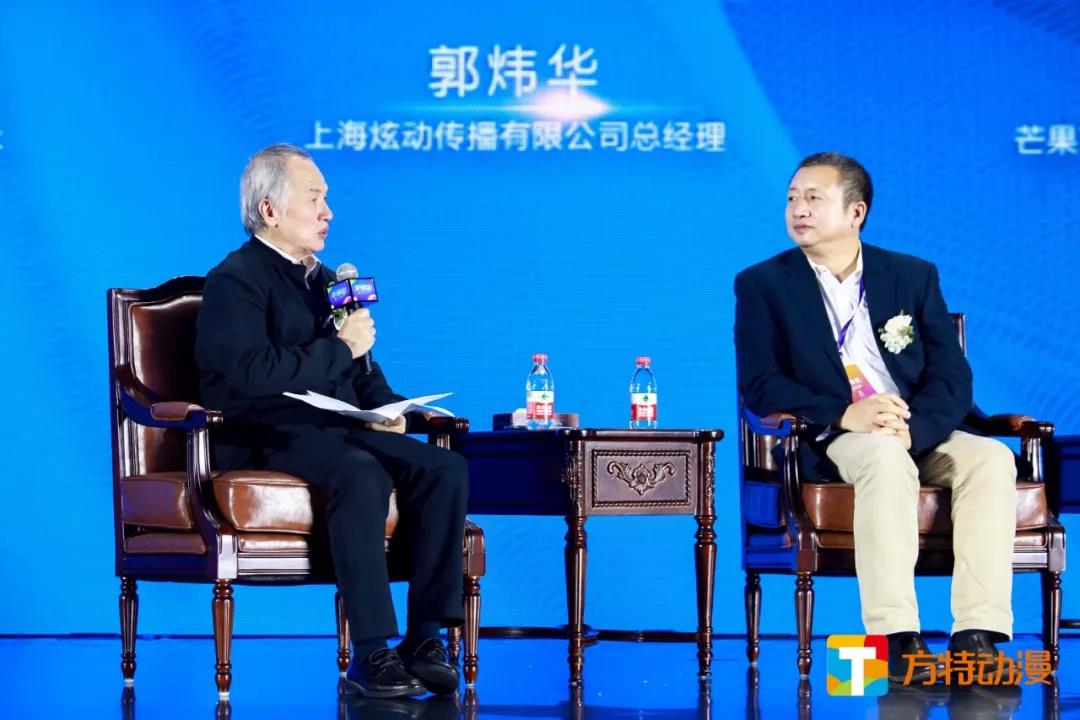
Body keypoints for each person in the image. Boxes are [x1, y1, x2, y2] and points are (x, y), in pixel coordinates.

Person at [196, 143, 468, 698]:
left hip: (339, 427)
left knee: (444, 469)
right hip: (268, 431)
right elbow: (251, 373)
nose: (328, 213)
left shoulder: (329, 281)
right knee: (361, 473)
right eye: (314, 199)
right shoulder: (235, 279)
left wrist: (389, 408)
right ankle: (371, 652)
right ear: (270, 209)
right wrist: (340, 348)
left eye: (327, 199)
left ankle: (425, 637)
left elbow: (362, 370)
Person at [734, 152, 1017, 682]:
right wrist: (847, 414)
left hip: (916, 427)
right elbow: (761, 383)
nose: (799, 209)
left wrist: (913, 429)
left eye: (813, 198)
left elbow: (952, 375)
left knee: (991, 458)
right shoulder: (763, 283)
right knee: (884, 459)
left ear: (856, 212)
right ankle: (896, 636)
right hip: (834, 433)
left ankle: (977, 634)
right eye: (793, 198)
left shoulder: (911, 275)